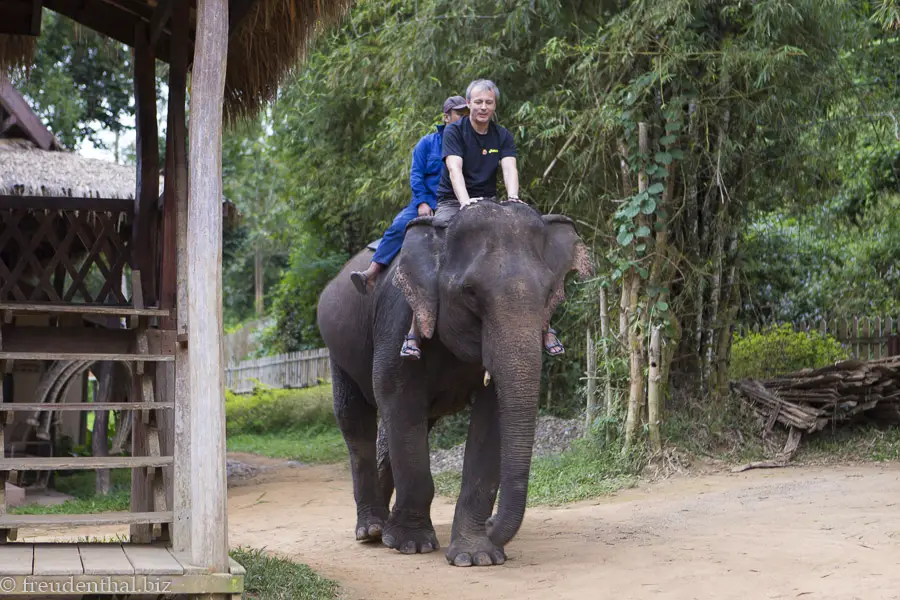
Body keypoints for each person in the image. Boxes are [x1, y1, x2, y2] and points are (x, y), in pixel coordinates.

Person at [399, 78, 566, 360]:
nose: (483, 107)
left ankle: (545, 327)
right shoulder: (455, 132)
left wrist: (513, 200)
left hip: (489, 202)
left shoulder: (502, 136)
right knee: (434, 251)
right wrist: (465, 204)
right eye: (478, 102)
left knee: (528, 252)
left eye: (488, 102)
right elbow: (454, 170)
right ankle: (414, 331)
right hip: (454, 201)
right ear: (469, 104)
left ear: (494, 106)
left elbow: (509, 169)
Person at [349, 96, 469, 295]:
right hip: (425, 201)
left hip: (456, 202)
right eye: (459, 114)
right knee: (398, 226)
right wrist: (422, 202)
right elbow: (416, 175)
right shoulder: (427, 143)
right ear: (446, 117)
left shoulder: (470, 145)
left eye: (466, 114)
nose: (464, 118)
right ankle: (371, 273)